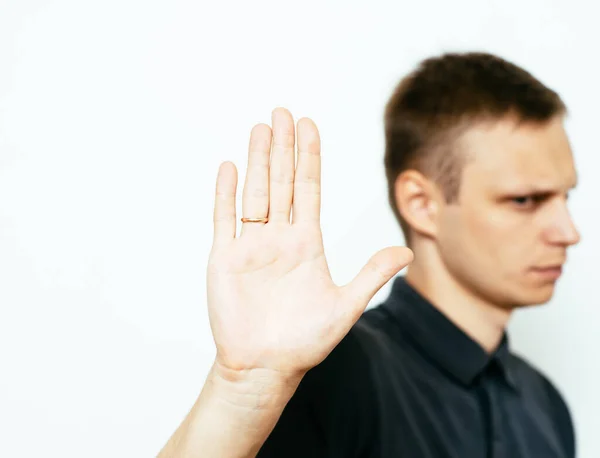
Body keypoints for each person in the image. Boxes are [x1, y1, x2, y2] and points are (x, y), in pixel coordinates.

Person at [157, 52, 580, 458]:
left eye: (564, 197)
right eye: (525, 200)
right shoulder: (331, 373)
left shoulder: (545, 405)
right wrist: (242, 388)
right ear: (421, 203)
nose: (568, 232)